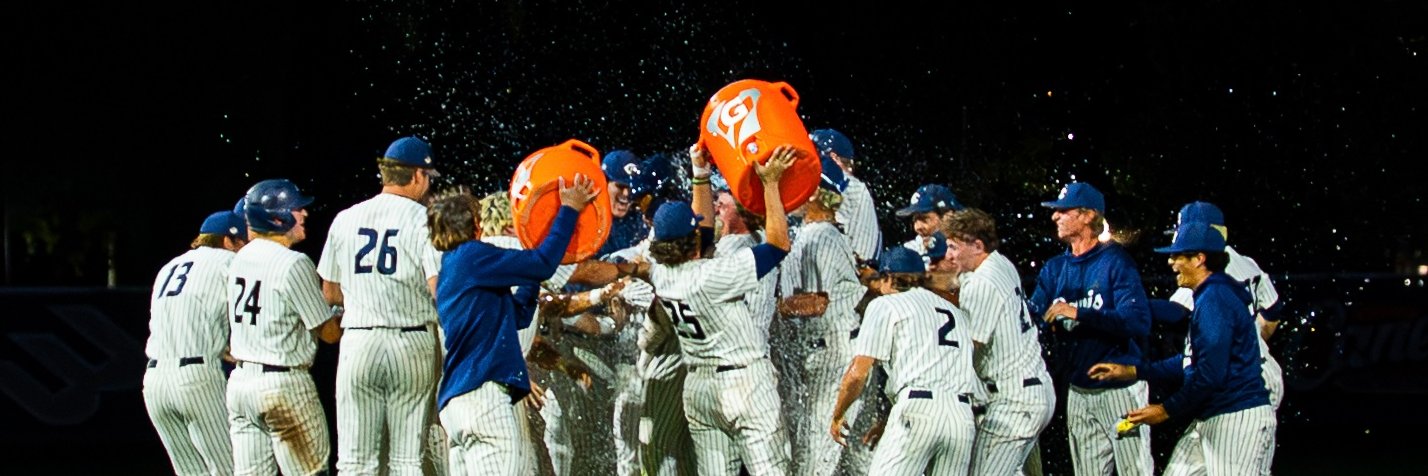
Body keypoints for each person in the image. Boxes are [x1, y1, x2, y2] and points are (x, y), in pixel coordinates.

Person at [427, 174, 599, 475]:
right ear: (474, 226)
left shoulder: (452, 270)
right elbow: (544, 263)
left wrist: (529, 277)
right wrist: (569, 209)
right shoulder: (473, 257)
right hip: (484, 399)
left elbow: (518, 315)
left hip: (457, 404)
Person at [646, 144, 797, 475]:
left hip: (699, 389)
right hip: (743, 383)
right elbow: (777, 245)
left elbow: (699, 233)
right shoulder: (712, 275)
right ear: (693, 241)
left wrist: (700, 172)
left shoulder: (661, 272)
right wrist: (770, 183)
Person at [1088, 222, 1276, 475]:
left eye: (1178, 255)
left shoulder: (1215, 301)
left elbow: (1209, 376)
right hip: (1213, 415)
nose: (1171, 262)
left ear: (1199, 258)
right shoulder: (1210, 294)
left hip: (1237, 419)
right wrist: (1134, 371)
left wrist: (1166, 410)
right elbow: (1190, 360)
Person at [317, 136, 444, 475]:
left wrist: (366, 290)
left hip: (359, 341)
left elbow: (329, 292)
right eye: (429, 177)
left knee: (355, 461)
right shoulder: (425, 219)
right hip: (411, 341)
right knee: (406, 460)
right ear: (417, 175)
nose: (429, 185)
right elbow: (439, 291)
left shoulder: (345, 218)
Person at [1027, 181, 1153, 476]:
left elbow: (1138, 320)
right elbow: (1032, 316)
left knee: (1135, 473)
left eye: (1062, 211)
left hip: (1120, 391)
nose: (1054, 217)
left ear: (1087, 215)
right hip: (1078, 391)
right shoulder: (1055, 268)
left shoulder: (1115, 262)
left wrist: (1079, 313)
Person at [1156, 201, 1284, 476]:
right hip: (1253, 371)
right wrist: (1251, 340)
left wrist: (1127, 307)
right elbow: (1273, 312)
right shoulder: (1246, 263)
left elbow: (1176, 313)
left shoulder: (1214, 272)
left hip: (1246, 385)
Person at [227, 178, 344, 475]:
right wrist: (342, 311)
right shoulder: (293, 262)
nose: (304, 214)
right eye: (296, 209)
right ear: (276, 218)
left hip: (241, 385)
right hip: (283, 386)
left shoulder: (239, 259)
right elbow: (329, 333)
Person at [830, 246, 980, 476]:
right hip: (961, 418)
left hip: (917, 411)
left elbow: (858, 373)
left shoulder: (886, 304)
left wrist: (838, 414)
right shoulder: (955, 311)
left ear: (888, 277)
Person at [778, 153, 872, 476]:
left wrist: (774, 306)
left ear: (818, 192)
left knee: (816, 461)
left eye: (800, 184)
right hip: (831, 353)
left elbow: (819, 303)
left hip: (835, 356)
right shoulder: (817, 234)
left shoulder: (822, 237)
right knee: (840, 459)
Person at [942, 208, 1055, 474]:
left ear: (977, 245)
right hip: (1030, 390)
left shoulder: (983, 283)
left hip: (1014, 400)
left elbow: (969, 347)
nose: (949, 255)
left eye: (953, 247)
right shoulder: (1001, 263)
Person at [143, 210, 248, 476]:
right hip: (196, 378)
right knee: (230, 469)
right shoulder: (229, 262)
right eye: (243, 243)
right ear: (228, 241)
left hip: (154, 382)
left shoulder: (169, 267)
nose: (246, 250)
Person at [810, 128, 881, 264]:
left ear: (834, 158)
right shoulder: (855, 188)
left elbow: (866, 258)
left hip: (851, 273)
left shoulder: (853, 188)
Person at [895, 184, 963, 270]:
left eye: (924, 219)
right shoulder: (911, 250)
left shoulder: (972, 247)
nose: (917, 227)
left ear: (948, 217)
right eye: (915, 220)